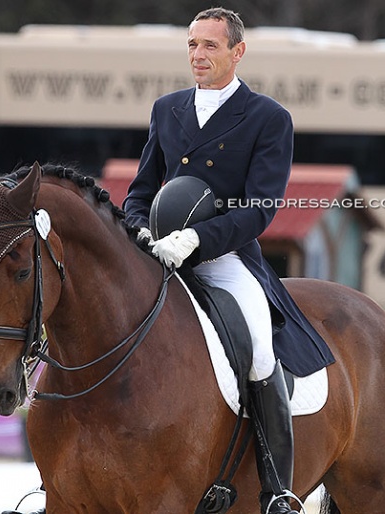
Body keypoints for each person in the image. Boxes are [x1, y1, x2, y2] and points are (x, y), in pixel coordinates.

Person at [123, 7, 334, 514]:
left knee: (260, 349)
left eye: (210, 46)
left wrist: (197, 239)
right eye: (193, 45)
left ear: (237, 52)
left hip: (224, 256)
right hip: (157, 255)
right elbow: (139, 191)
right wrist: (141, 230)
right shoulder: (166, 108)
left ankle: (278, 489)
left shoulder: (267, 118)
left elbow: (260, 209)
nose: (198, 55)